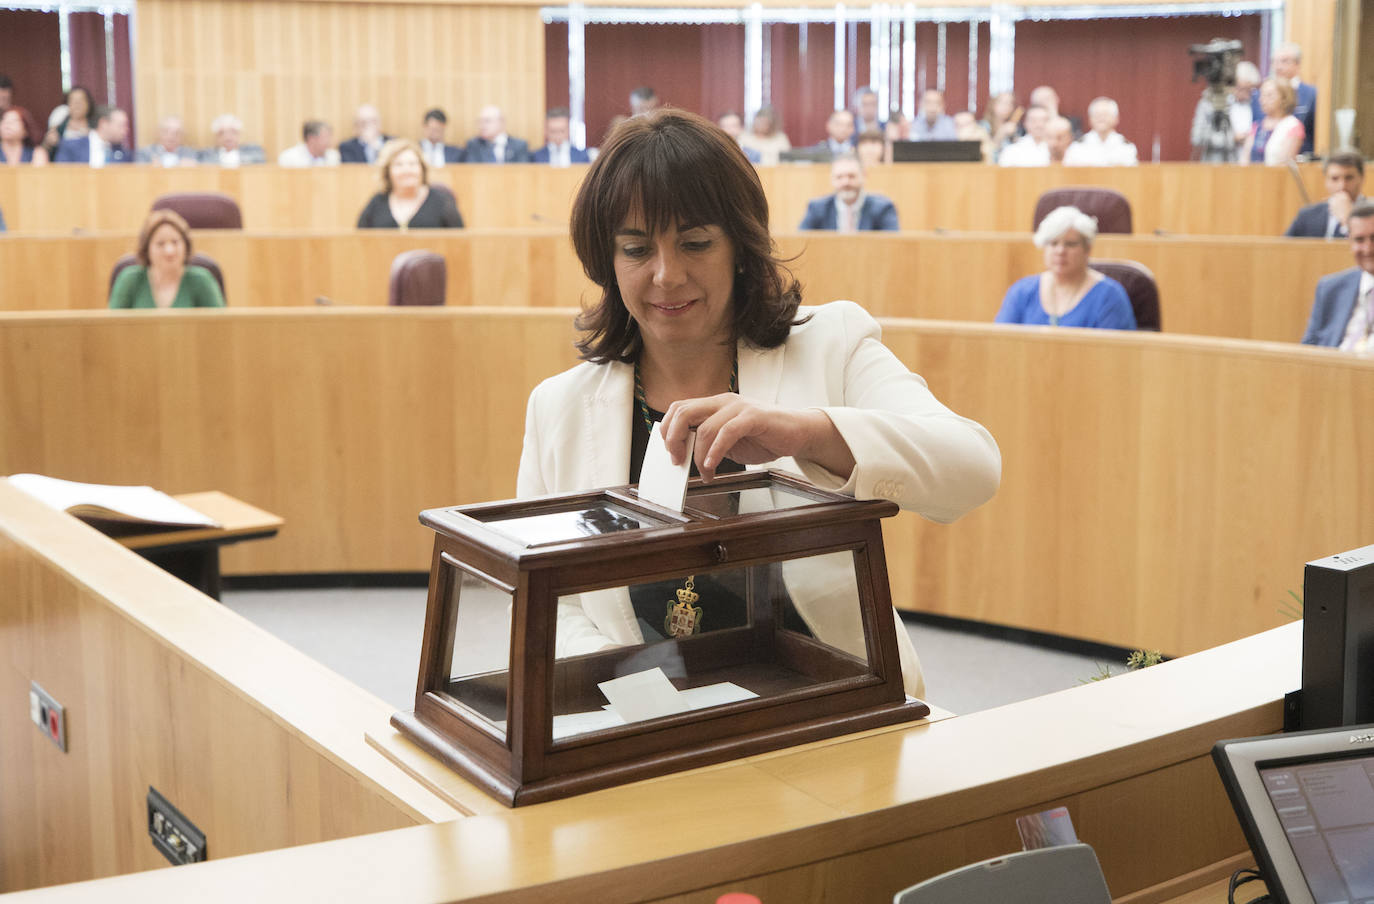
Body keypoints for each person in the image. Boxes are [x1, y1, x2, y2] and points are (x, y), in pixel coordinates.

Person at [515, 108, 1001, 698]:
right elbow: (545, 603)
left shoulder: (831, 343)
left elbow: (973, 467)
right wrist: (642, 699)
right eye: (637, 249)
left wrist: (808, 433)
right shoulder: (559, 408)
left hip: (836, 707)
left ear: (740, 248)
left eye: (695, 243)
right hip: (648, 730)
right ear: (607, 261)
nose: (667, 276)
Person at [995, 206, 1136, 330]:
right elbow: (1002, 344)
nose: (1060, 251)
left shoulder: (1110, 297)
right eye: (1053, 243)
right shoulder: (1022, 291)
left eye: (1070, 244)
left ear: (1087, 249)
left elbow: (1115, 357)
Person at [108, 209, 225, 309]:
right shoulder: (129, 280)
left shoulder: (202, 281)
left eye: (175, 242)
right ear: (146, 249)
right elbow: (112, 329)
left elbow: (221, 327)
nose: (169, 251)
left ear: (186, 245)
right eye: (160, 244)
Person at [1300, 203, 1374, 351]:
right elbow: (1307, 352)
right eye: (1359, 240)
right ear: (1350, 242)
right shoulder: (1330, 288)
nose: (1368, 249)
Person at [355, 138, 463, 230]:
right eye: (399, 165)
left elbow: (460, 242)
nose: (407, 170)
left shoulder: (442, 202)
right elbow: (360, 240)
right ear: (387, 171)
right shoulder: (377, 203)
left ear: (422, 168)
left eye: (412, 164)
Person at [799, 151, 898, 232]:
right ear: (832, 179)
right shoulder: (817, 208)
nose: (845, 182)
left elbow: (893, 246)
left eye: (851, 176)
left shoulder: (883, 208)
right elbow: (801, 243)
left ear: (864, 176)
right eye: (839, 177)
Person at [1190, 61, 1260, 162]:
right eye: (1242, 89)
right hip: (1218, 166)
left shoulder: (1256, 104)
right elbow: (1197, 137)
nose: (1246, 94)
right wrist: (1232, 138)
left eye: (1250, 90)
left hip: (1249, 167)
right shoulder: (1210, 103)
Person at [1254, 43, 1316, 157]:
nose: (1278, 67)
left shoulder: (1311, 94)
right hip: (1259, 159)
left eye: (1284, 61)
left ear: (1297, 64)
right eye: (1275, 62)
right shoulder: (1259, 94)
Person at [1285, 152, 1365, 238]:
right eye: (1335, 178)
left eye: (1349, 178)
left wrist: (1347, 220)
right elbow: (1283, 248)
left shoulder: (1371, 213)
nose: (1342, 186)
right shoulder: (1307, 215)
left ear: (1361, 178)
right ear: (1326, 180)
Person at [1240, 77, 1303, 166]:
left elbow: (1284, 163)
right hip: (1252, 177)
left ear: (1284, 99)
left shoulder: (1293, 126)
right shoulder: (1257, 125)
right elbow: (1244, 160)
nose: (1262, 100)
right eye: (1262, 95)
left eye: (1269, 95)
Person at [1064, 97, 1138, 166]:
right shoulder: (1077, 147)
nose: (1101, 118)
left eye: (1105, 114)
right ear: (1090, 119)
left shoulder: (1126, 147)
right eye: (1097, 114)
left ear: (1116, 118)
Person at [53, 106, 131, 165]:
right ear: (103, 123)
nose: (126, 130)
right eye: (121, 125)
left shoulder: (123, 154)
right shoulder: (71, 147)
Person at [463, 105, 530, 164]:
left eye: (487, 121)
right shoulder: (474, 145)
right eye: (479, 121)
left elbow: (523, 171)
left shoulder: (519, 145)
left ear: (501, 122)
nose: (481, 126)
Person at [199, 113, 266, 167]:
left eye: (232, 132)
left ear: (239, 134)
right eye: (222, 133)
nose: (228, 137)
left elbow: (259, 161)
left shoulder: (254, 150)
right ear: (216, 136)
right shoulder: (207, 154)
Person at [43, 86, 93, 156]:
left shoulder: (96, 126)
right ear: (67, 104)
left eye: (81, 100)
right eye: (73, 101)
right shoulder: (59, 127)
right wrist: (48, 143)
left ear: (88, 104)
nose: (77, 104)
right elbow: (45, 152)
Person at [981, 91, 1021, 156]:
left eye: (1010, 103)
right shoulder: (983, 126)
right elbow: (986, 154)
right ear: (992, 104)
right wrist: (1001, 134)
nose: (1007, 106)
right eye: (1003, 103)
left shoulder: (1016, 127)